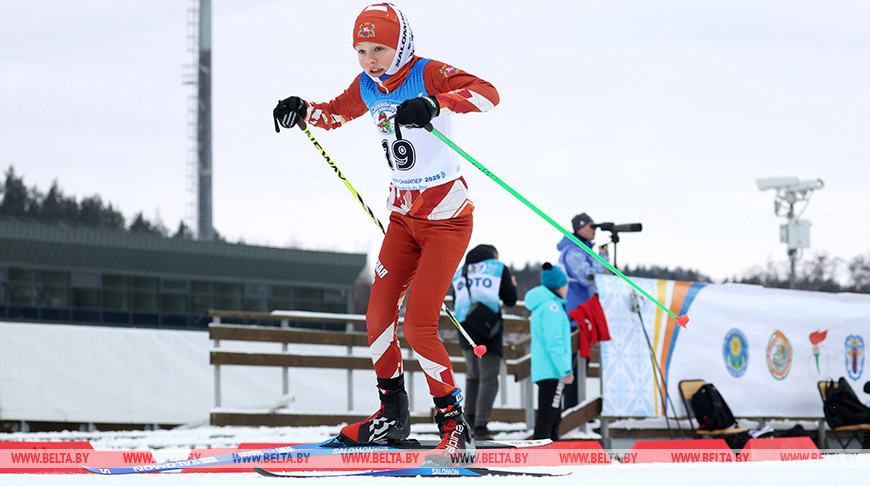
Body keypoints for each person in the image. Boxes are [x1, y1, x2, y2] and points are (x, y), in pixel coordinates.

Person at [272, 3, 499, 464]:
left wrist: (436, 102)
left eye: (379, 48)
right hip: (402, 217)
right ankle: (391, 416)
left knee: (418, 324)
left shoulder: (428, 73)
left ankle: (455, 426)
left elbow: (489, 94)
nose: (371, 58)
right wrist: (302, 109)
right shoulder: (368, 85)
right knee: (377, 316)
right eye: (361, 50)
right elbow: (334, 113)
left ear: (402, 44)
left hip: (447, 218)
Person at [450, 244, 518, 440]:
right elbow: (510, 299)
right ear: (493, 256)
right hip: (489, 329)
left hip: (464, 327)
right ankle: (481, 426)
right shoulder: (497, 268)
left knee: (473, 375)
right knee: (489, 377)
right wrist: (511, 284)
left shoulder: (460, 272)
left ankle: (468, 420)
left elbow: (456, 299)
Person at [556, 212, 609, 409]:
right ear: (580, 228)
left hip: (580, 315)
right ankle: (571, 414)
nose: (595, 230)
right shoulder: (574, 251)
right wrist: (603, 258)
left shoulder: (581, 249)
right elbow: (587, 276)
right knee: (575, 369)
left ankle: (572, 412)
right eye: (591, 226)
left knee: (579, 369)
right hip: (575, 315)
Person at [525, 263, 574, 441]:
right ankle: (541, 453)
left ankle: (549, 451)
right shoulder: (552, 308)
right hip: (552, 370)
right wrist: (565, 370)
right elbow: (555, 342)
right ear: (559, 286)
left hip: (546, 369)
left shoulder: (544, 306)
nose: (568, 288)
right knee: (549, 416)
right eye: (566, 284)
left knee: (552, 415)